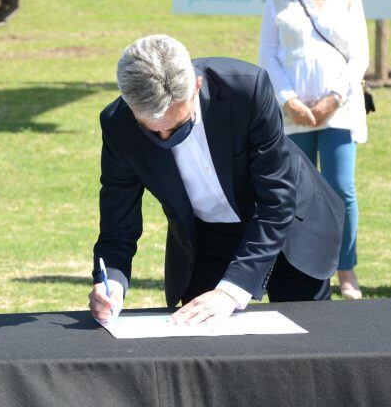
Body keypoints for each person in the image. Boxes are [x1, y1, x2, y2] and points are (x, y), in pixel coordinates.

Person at [88, 35, 345, 324]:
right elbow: (117, 224)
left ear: (196, 86)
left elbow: (277, 200)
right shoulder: (117, 125)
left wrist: (230, 292)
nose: (165, 139)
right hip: (208, 235)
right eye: (151, 130)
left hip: (288, 226)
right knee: (200, 338)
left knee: (305, 342)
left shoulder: (247, 89)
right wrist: (112, 282)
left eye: (177, 126)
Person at [259, 0, 369, 299]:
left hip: (339, 110)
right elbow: (269, 57)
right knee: (295, 194)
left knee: (340, 190)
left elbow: (359, 56)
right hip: (293, 115)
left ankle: (346, 272)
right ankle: (305, 270)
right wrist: (289, 101)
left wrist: (332, 99)